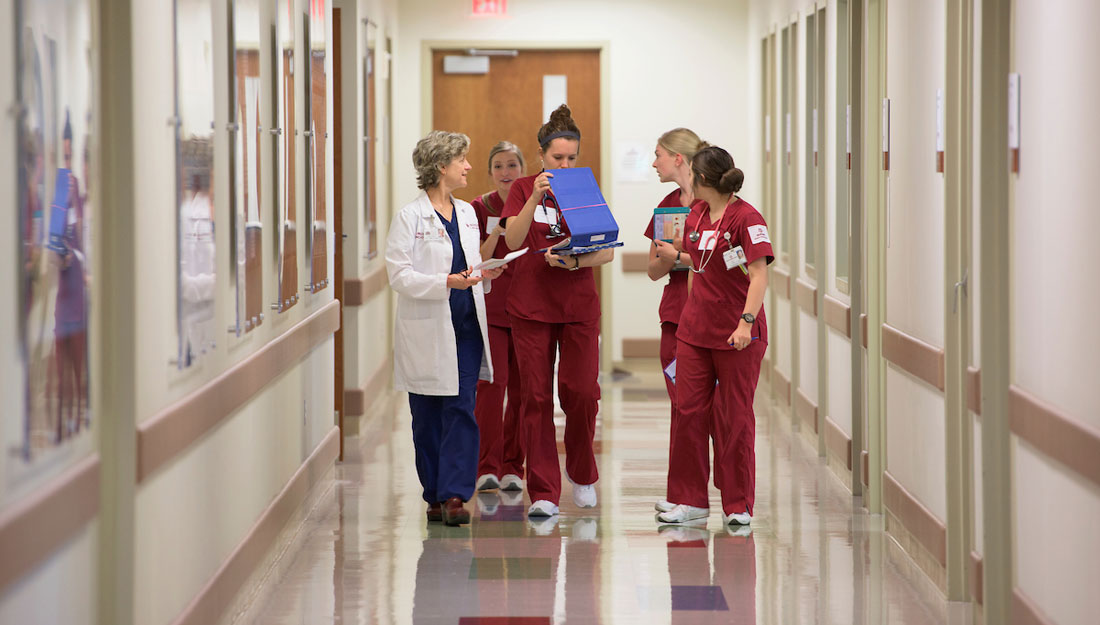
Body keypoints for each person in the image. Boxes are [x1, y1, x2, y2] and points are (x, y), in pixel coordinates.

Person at [386, 130, 505, 526]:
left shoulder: (469, 213)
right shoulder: (409, 217)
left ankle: (455, 494)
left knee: (461, 408)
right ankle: (433, 495)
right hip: (428, 327)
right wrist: (444, 283)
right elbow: (399, 275)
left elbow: (467, 265)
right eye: (462, 160)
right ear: (441, 166)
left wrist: (484, 274)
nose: (469, 166)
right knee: (427, 415)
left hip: (467, 326)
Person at [501, 105, 615, 518]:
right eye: (557, 158)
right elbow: (512, 239)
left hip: (578, 306)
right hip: (531, 307)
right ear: (541, 155)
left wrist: (574, 263)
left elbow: (605, 251)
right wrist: (533, 197)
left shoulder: (585, 189)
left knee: (582, 392)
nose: (565, 165)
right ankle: (545, 490)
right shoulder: (522, 189)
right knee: (533, 397)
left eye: (571, 158)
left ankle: (582, 473)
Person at [658, 146, 772, 526]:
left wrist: (745, 323)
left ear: (702, 179)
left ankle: (738, 504)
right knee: (689, 413)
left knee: (734, 418)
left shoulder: (747, 218)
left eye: (691, 172)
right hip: (695, 333)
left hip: (737, 335)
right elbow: (698, 267)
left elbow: (759, 275)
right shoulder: (697, 215)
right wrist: (692, 312)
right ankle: (690, 501)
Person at [643, 128, 709, 514]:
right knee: (682, 406)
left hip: (712, 313)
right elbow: (653, 270)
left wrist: (682, 256)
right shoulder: (668, 206)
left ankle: (725, 499)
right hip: (676, 315)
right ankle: (684, 494)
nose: (655, 163)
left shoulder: (713, 203)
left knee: (710, 410)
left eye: (659, 155)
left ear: (678, 158)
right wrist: (670, 255)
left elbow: (721, 262)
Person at [471, 141, 527, 493]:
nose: (506, 173)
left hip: (527, 308)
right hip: (492, 309)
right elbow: (476, 258)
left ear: (523, 169)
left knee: (524, 391)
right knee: (492, 386)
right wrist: (498, 230)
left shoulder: (534, 205)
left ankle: (513, 466)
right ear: (490, 172)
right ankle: (486, 466)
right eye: (498, 167)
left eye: (512, 165)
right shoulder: (478, 207)